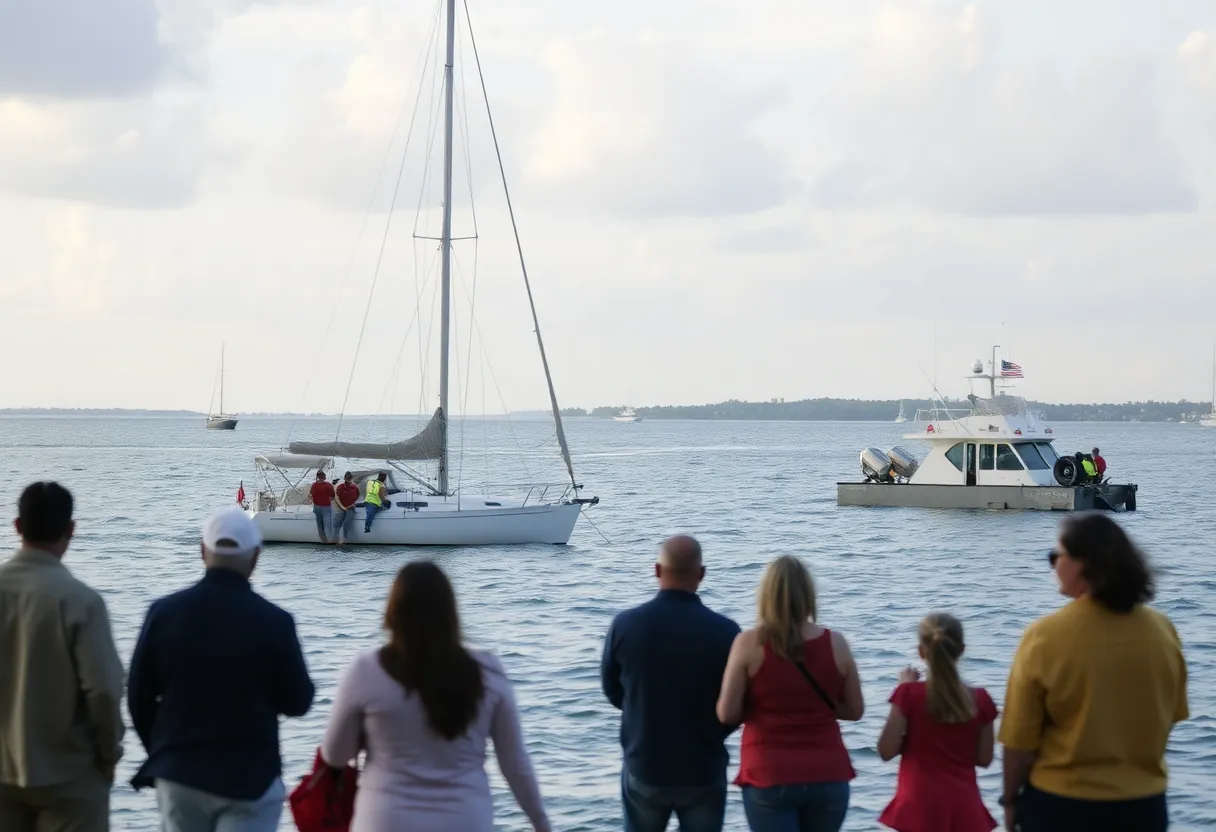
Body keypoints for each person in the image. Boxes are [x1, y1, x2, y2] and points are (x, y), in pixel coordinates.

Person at [321, 561, 550, 831]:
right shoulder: (488, 671)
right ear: (451, 613)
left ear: (393, 612)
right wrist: (541, 823)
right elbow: (515, 764)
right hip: (465, 819)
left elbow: (335, 755)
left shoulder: (366, 671)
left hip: (387, 819)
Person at [128, 505, 315, 832]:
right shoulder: (275, 622)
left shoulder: (163, 613)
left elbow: (137, 696)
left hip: (179, 774)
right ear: (255, 558)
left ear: (203, 551)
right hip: (250, 778)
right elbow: (298, 703)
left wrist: (162, 752)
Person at [999, 514, 1188, 832]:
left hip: (1062, 808)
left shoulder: (1045, 636)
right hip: (1144, 808)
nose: (1053, 565)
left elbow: (1018, 742)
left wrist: (1009, 801)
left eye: (1055, 556)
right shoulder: (1162, 631)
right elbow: (1171, 715)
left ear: (1082, 563)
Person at [0, 482, 125, 832]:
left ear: (17, 527)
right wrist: (107, 754)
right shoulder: (81, 601)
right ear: (71, 530)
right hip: (69, 775)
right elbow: (103, 689)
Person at [601, 535, 740, 832]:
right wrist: (713, 733)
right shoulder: (727, 632)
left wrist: (640, 711)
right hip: (703, 766)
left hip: (645, 764)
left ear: (656, 570)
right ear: (701, 574)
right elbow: (737, 704)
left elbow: (612, 690)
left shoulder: (625, 625)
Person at [717, 555, 864, 832]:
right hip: (828, 774)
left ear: (766, 594)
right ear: (808, 595)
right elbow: (855, 711)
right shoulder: (836, 643)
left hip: (769, 775)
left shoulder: (749, 644)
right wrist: (816, 706)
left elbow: (727, 713)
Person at [876, 613, 997, 832]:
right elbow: (984, 759)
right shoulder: (980, 700)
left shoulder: (909, 695)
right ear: (961, 650)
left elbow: (886, 750)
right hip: (964, 807)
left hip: (918, 807)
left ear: (922, 652)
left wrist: (903, 688)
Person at [332, 471, 360, 545]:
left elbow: (357, 496)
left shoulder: (354, 487)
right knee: (338, 523)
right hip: (342, 507)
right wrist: (343, 507)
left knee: (346, 523)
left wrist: (351, 505)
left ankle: (343, 538)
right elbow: (336, 497)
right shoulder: (341, 486)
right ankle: (336, 538)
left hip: (349, 507)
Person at [309, 470, 335, 544]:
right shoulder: (329, 485)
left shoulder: (314, 485)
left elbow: (310, 495)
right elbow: (332, 496)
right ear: (325, 477)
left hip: (317, 506)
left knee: (320, 525)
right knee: (327, 525)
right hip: (326, 506)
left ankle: (323, 540)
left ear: (317, 477)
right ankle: (329, 541)